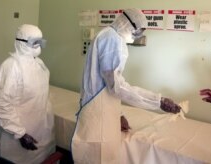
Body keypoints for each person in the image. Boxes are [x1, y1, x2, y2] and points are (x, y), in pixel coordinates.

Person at [71, 8, 181, 164]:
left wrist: (118, 114)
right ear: (129, 24)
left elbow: (108, 85)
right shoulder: (113, 40)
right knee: (98, 157)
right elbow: (117, 86)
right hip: (97, 112)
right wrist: (158, 101)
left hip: (100, 106)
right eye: (138, 32)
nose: (138, 36)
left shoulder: (108, 35)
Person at [0, 24, 55, 163]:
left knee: (42, 158)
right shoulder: (10, 67)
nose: (38, 46)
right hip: (19, 134)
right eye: (34, 42)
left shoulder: (39, 63)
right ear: (21, 43)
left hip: (40, 128)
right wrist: (20, 133)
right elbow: (2, 107)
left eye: (40, 42)